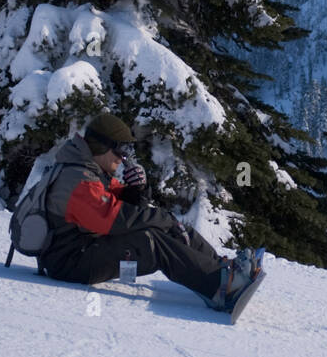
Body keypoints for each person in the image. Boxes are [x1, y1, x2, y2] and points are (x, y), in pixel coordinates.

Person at [40, 112, 259, 313]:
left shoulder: (90, 171)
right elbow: (115, 219)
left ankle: (224, 269)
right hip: (70, 261)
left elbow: (125, 206)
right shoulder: (79, 180)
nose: (123, 158)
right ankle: (222, 288)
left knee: (178, 229)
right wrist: (164, 219)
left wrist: (138, 191)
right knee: (150, 242)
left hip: (85, 248)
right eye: (120, 150)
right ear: (102, 147)